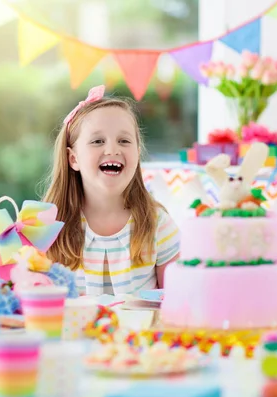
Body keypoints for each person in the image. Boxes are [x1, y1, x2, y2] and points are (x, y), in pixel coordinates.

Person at [42, 85, 180, 295]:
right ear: (73, 158)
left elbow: (177, 301)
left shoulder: (158, 225)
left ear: (137, 152)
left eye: (124, 141)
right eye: (98, 141)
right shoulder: (48, 228)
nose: (113, 149)